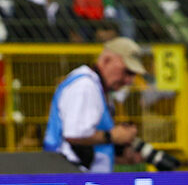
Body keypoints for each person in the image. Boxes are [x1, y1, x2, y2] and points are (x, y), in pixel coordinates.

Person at [43, 37, 145, 172]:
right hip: (72, 179)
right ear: (106, 60)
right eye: (127, 72)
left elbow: (84, 147)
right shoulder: (85, 86)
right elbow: (75, 134)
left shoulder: (98, 87)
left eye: (133, 75)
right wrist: (114, 136)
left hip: (82, 179)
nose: (129, 81)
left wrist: (121, 155)